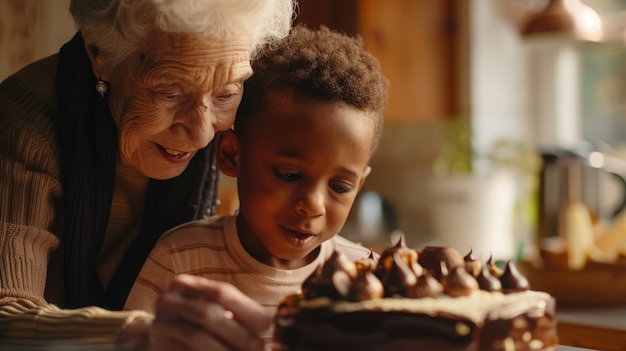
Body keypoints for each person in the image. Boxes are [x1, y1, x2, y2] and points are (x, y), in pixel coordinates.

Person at [0, 0, 294, 350]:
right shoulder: (24, 126)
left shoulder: (239, 120)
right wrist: (138, 333)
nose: (202, 135)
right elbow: (7, 314)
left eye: (225, 94)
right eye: (170, 92)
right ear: (100, 53)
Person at [124, 24, 389, 350]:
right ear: (232, 154)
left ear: (360, 183)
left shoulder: (369, 277)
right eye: (289, 174)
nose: (314, 205)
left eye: (340, 186)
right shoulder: (180, 259)